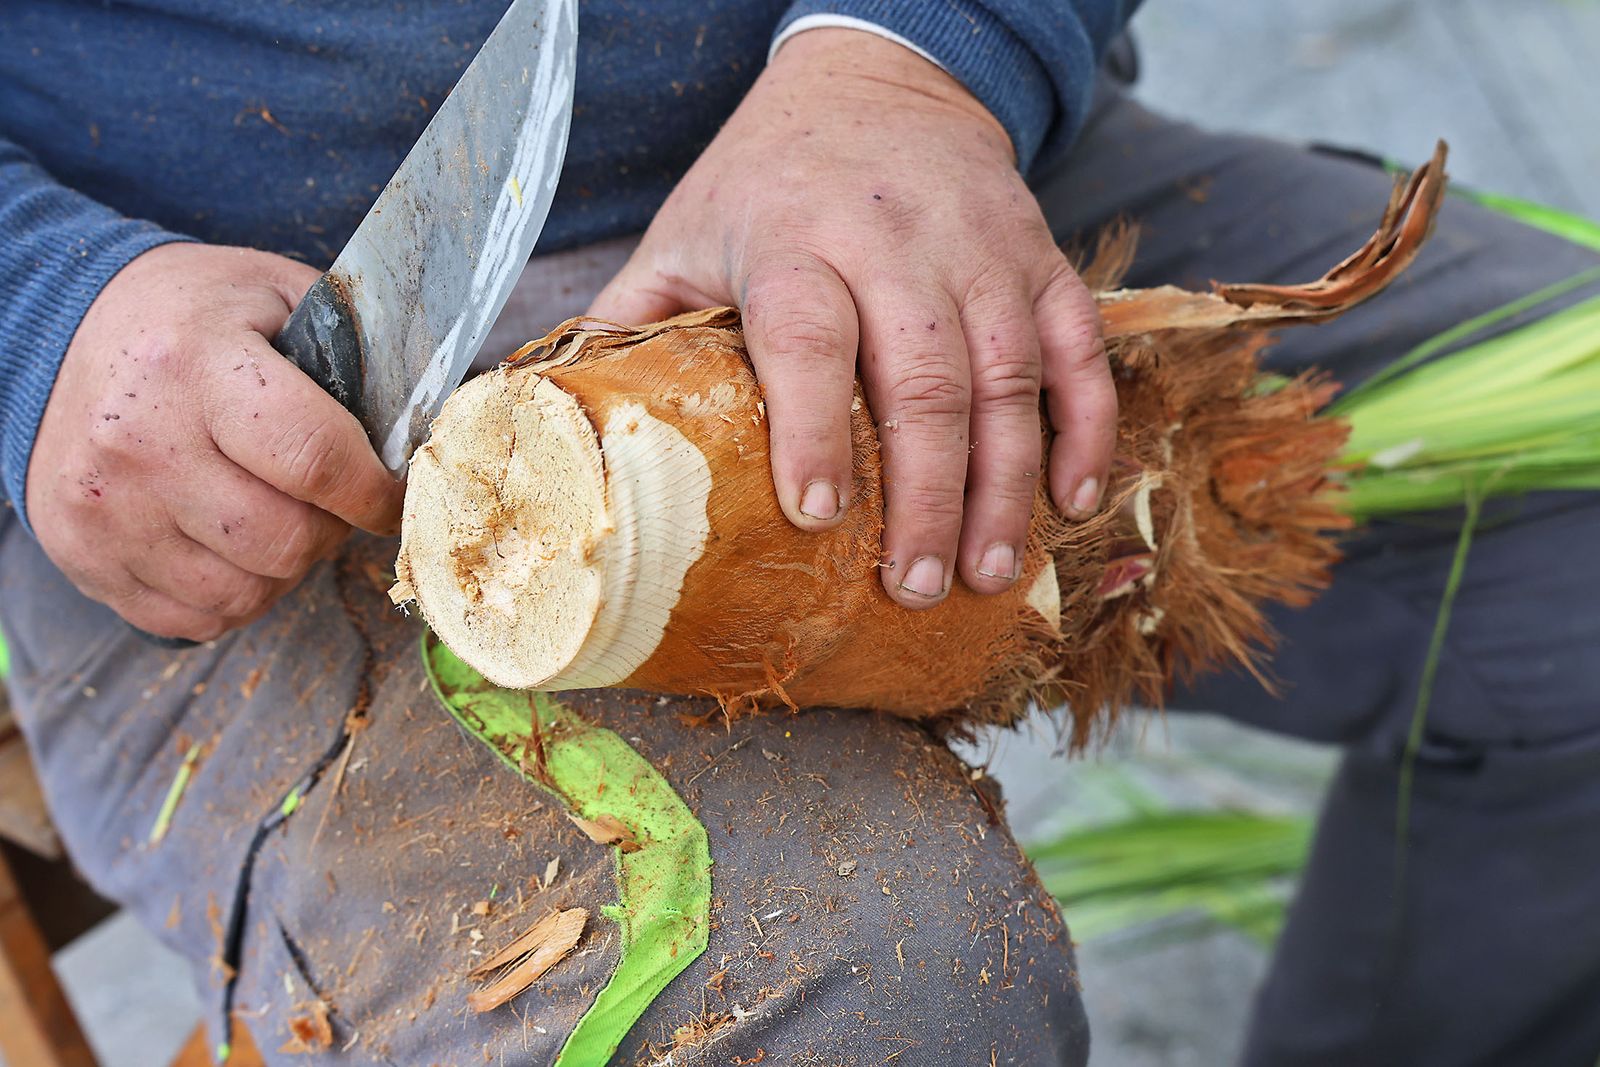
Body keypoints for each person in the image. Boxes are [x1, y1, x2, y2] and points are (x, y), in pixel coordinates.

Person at [1, 3, 1596, 1065]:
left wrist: (911, 58)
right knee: (836, 992)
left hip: (868, 143)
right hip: (217, 379)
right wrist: (39, 321)